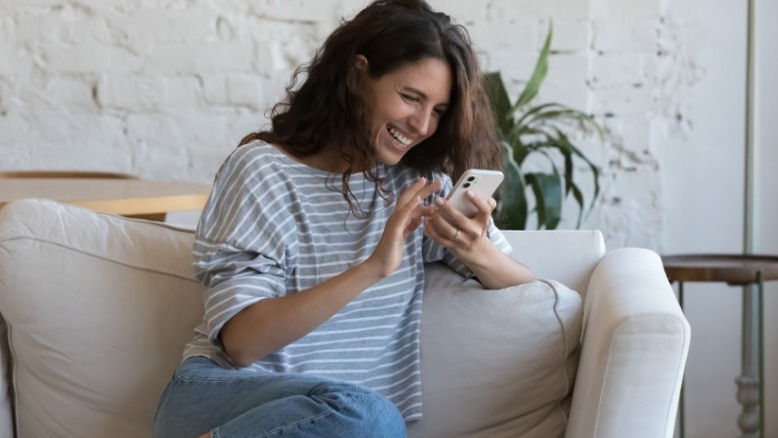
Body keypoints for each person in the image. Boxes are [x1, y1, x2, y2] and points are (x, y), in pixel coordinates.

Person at [154, 0, 534, 436]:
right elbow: (241, 343)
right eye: (410, 97)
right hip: (222, 398)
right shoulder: (263, 171)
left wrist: (477, 250)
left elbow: (527, 289)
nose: (422, 125)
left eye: (438, 111)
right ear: (356, 76)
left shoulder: (420, 188)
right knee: (370, 416)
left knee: (372, 419)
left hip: (343, 426)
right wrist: (374, 268)